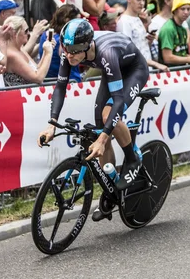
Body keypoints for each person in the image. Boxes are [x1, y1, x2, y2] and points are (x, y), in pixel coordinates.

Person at [36, 19, 150, 222]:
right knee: (99, 128)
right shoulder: (68, 52)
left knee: (108, 118)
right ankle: (109, 190)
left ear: (87, 45)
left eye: (75, 50)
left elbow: (118, 101)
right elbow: (60, 88)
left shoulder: (106, 51)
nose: (69, 55)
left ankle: (132, 159)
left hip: (133, 70)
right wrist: (51, 124)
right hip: (112, 70)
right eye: (66, 48)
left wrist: (103, 138)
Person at [117, 0, 168, 71]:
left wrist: (149, 41)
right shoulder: (124, 22)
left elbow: (141, 48)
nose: (142, 3)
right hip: (134, 73)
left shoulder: (139, 19)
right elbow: (128, 53)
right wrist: (155, 64)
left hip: (145, 70)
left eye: (144, 0)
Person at [3, 16, 55, 86]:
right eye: (26, 31)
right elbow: (38, 78)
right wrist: (49, 53)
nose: (28, 33)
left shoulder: (20, 48)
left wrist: (46, 51)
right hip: (20, 95)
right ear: (15, 34)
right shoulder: (11, 55)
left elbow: (37, 69)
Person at [38, 5, 83, 82]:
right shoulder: (66, 40)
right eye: (78, 20)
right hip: (70, 83)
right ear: (67, 20)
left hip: (48, 83)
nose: (80, 23)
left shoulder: (45, 35)